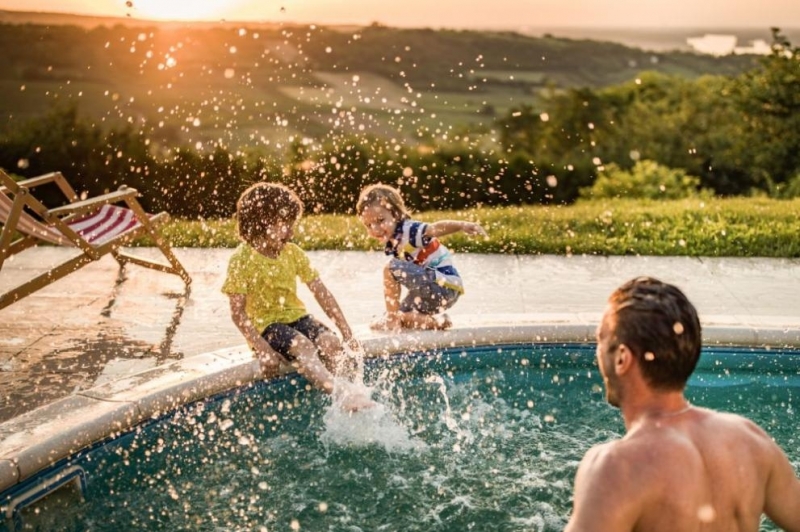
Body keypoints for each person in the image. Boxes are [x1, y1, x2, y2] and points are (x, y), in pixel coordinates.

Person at [565, 276, 800, 532]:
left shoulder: (617, 468)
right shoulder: (749, 440)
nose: (597, 352)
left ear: (622, 358)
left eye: (601, 339)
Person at [222, 182, 373, 411]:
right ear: (262, 222)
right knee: (302, 345)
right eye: (285, 225)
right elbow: (237, 314)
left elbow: (322, 293)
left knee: (331, 344)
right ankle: (342, 395)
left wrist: (347, 332)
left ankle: (353, 399)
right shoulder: (241, 260)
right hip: (265, 327)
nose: (291, 233)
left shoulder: (293, 253)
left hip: (297, 318)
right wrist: (262, 349)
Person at [356, 183, 487, 332]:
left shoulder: (409, 229)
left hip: (441, 286)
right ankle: (437, 322)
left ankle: (391, 319)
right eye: (368, 225)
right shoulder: (394, 240)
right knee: (401, 314)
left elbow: (434, 228)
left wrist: (461, 225)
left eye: (380, 220)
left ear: (396, 214)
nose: (375, 229)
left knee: (389, 268)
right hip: (444, 292)